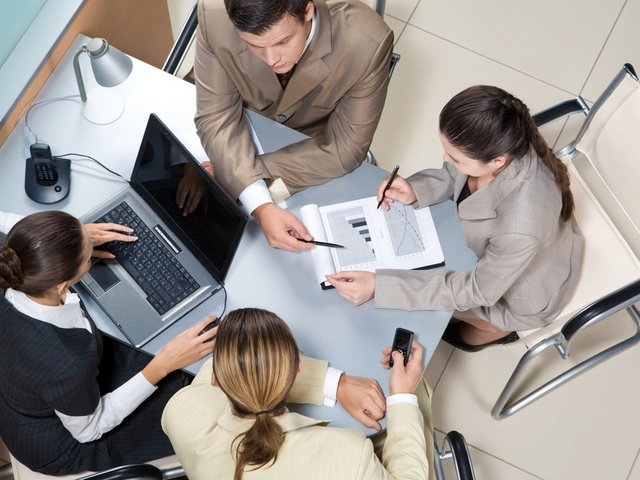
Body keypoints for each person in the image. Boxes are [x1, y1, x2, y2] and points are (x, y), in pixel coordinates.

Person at [327, 85, 584, 352]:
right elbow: (455, 174)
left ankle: (499, 330)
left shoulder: (521, 226)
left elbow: (477, 291)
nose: (445, 159)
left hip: (514, 294)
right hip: (495, 258)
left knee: (453, 330)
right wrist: (417, 189)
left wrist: (380, 287)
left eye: (455, 158)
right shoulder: (504, 140)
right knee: (421, 300)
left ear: (496, 161)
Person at [0, 211, 217, 475]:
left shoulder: (17, 274)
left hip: (42, 392)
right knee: (196, 394)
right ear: (62, 286)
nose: (91, 249)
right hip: (68, 441)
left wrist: (70, 241)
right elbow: (89, 430)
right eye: (87, 257)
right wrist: (163, 364)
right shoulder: (64, 363)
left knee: (158, 349)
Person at [194, 0, 393, 251]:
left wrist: (239, 180)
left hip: (307, 149)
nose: (271, 59)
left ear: (308, 10)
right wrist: (257, 200)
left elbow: (345, 148)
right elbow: (216, 115)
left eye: (283, 42)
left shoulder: (366, 43)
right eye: (254, 45)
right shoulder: (213, 14)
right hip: (232, 130)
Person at [162, 308, 435, 479]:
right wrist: (402, 397)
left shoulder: (181, 415)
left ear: (215, 380)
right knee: (414, 401)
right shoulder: (349, 454)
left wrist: (337, 384)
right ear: (298, 367)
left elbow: (228, 369)